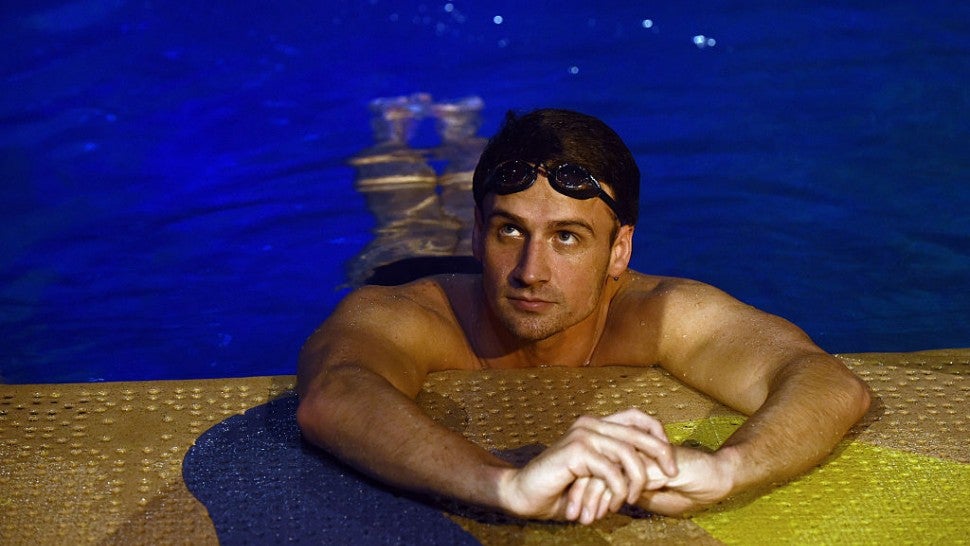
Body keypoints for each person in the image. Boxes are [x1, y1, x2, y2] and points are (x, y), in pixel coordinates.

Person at [296, 108, 871, 525]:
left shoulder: (660, 312)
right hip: (414, 268)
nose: (531, 272)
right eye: (509, 230)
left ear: (619, 250)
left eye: (567, 237)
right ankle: (393, 134)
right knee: (401, 224)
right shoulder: (414, 313)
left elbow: (827, 382)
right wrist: (505, 485)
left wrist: (725, 470)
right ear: (479, 234)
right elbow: (334, 395)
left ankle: (453, 131)